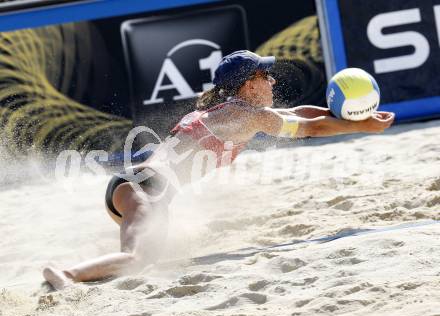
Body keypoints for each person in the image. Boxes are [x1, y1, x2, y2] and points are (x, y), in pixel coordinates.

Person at [43, 50, 394, 289]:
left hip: (139, 186)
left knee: (143, 259)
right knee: (137, 258)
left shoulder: (234, 111)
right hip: (147, 187)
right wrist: (363, 126)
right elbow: (310, 128)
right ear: (247, 84)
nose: (272, 81)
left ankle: (79, 273)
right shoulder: (243, 115)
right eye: (264, 75)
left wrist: (345, 115)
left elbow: (299, 114)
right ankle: (66, 273)